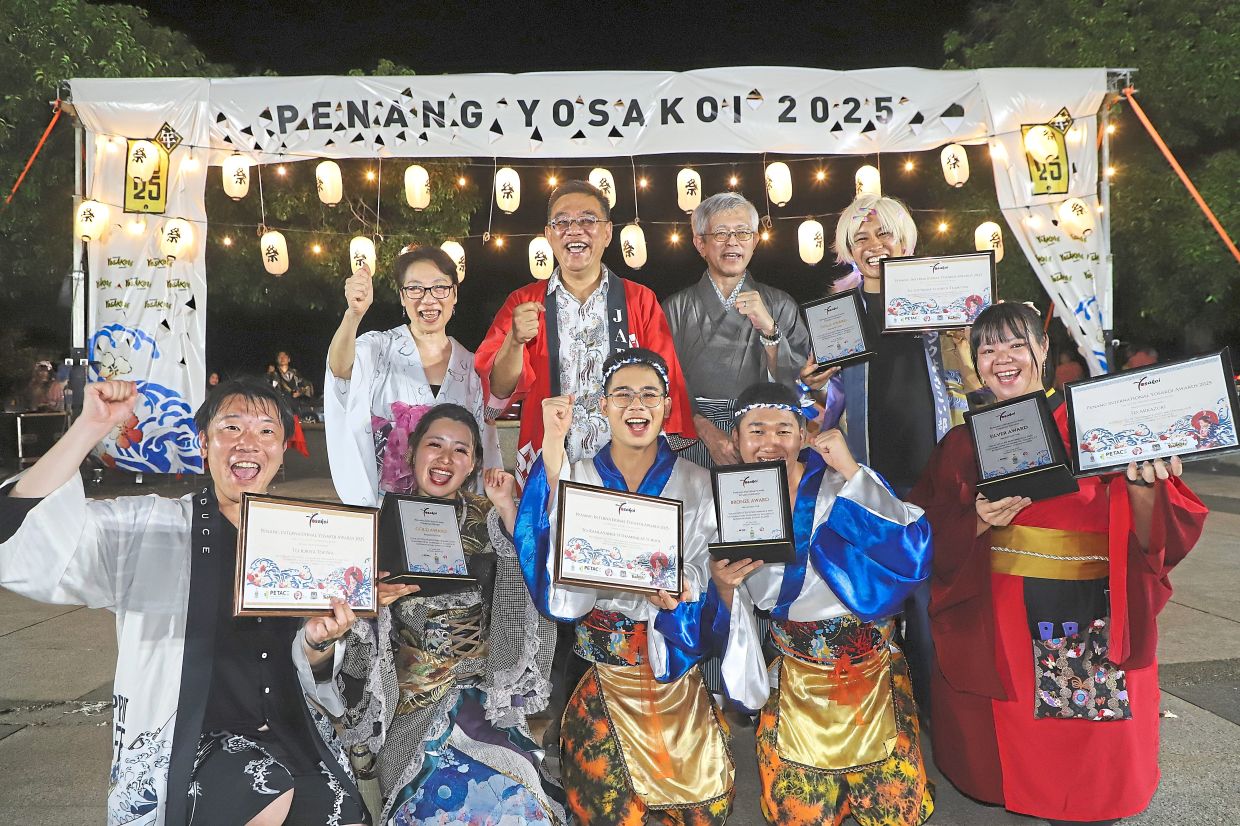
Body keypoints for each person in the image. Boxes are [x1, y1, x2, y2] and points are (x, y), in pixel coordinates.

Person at [0, 377, 368, 825]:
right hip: (187, 742)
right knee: (261, 791)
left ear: (282, 448)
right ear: (202, 442)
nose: (248, 443)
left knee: (343, 813)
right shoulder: (148, 529)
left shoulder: (307, 540)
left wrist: (319, 642)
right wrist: (87, 430)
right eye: (231, 428)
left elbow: (319, 669)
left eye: (266, 431)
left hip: (288, 732)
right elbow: (20, 533)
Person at [910, 303, 1208, 825]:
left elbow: (1160, 530)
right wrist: (975, 521)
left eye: (1016, 345)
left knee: (1088, 757)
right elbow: (925, 527)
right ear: (975, 363)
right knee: (1022, 742)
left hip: (1088, 607)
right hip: (1001, 615)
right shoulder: (963, 441)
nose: (1003, 359)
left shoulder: (1098, 422)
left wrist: (1144, 486)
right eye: (987, 349)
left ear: (1043, 350)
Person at [515, 349, 738, 824]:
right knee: (604, 809)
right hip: (602, 674)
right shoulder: (581, 478)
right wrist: (553, 447)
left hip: (671, 667)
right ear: (602, 405)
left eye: (649, 395)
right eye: (623, 395)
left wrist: (684, 588)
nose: (636, 406)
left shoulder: (698, 482)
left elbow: (706, 563)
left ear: (665, 405)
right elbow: (548, 543)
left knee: (706, 805)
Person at [707, 381, 934, 825]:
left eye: (783, 429)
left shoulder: (841, 485)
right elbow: (721, 611)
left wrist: (852, 470)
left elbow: (912, 550)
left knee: (894, 811)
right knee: (798, 814)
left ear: (804, 435)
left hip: (870, 672)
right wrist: (724, 587)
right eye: (755, 430)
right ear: (735, 439)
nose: (769, 441)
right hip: (796, 678)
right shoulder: (729, 505)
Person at [328, 403, 561, 825]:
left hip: (483, 699)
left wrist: (509, 508)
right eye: (434, 445)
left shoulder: (490, 518)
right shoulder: (375, 525)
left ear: (473, 463)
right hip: (410, 706)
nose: (445, 459)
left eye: (461, 450)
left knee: (518, 800)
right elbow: (345, 636)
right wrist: (370, 604)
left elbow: (534, 592)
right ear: (412, 451)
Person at [800, 192, 976, 715]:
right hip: (865, 479)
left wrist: (964, 343)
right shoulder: (840, 315)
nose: (875, 245)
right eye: (862, 238)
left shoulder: (940, 303)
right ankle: (874, 718)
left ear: (905, 238)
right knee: (869, 599)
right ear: (847, 250)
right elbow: (815, 412)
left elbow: (978, 387)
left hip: (937, 475)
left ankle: (933, 710)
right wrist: (810, 386)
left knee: (931, 603)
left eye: (884, 234)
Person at [475, 180, 695, 487]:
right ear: (549, 235)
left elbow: (665, 388)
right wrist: (514, 340)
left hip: (627, 463)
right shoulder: (524, 302)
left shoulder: (639, 300)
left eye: (588, 220)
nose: (574, 230)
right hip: (549, 459)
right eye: (562, 222)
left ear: (607, 233)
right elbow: (498, 392)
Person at [325, 246, 501, 507]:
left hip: (450, 509)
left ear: (454, 294)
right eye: (415, 289)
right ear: (402, 296)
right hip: (385, 505)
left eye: (440, 287)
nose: (428, 300)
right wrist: (354, 315)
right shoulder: (378, 347)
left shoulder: (471, 365)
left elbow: (482, 444)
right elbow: (340, 371)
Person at [662, 192, 811, 469]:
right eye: (720, 233)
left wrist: (769, 329)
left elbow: (800, 384)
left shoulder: (779, 304)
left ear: (755, 241)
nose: (732, 242)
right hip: (697, 435)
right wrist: (703, 428)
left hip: (764, 438)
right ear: (700, 243)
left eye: (742, 232)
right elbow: (662, 382)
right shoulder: (676, 308)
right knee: (699, 507)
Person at [273, 350, 315, 418]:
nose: (282, 358)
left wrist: (300, 392)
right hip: (279, 406)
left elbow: (307, 385)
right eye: (280, 357)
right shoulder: (273, 375)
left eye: (284, 356)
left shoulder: (295, 374)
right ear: (277, 360)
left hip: (294, 405)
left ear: (289, 359)